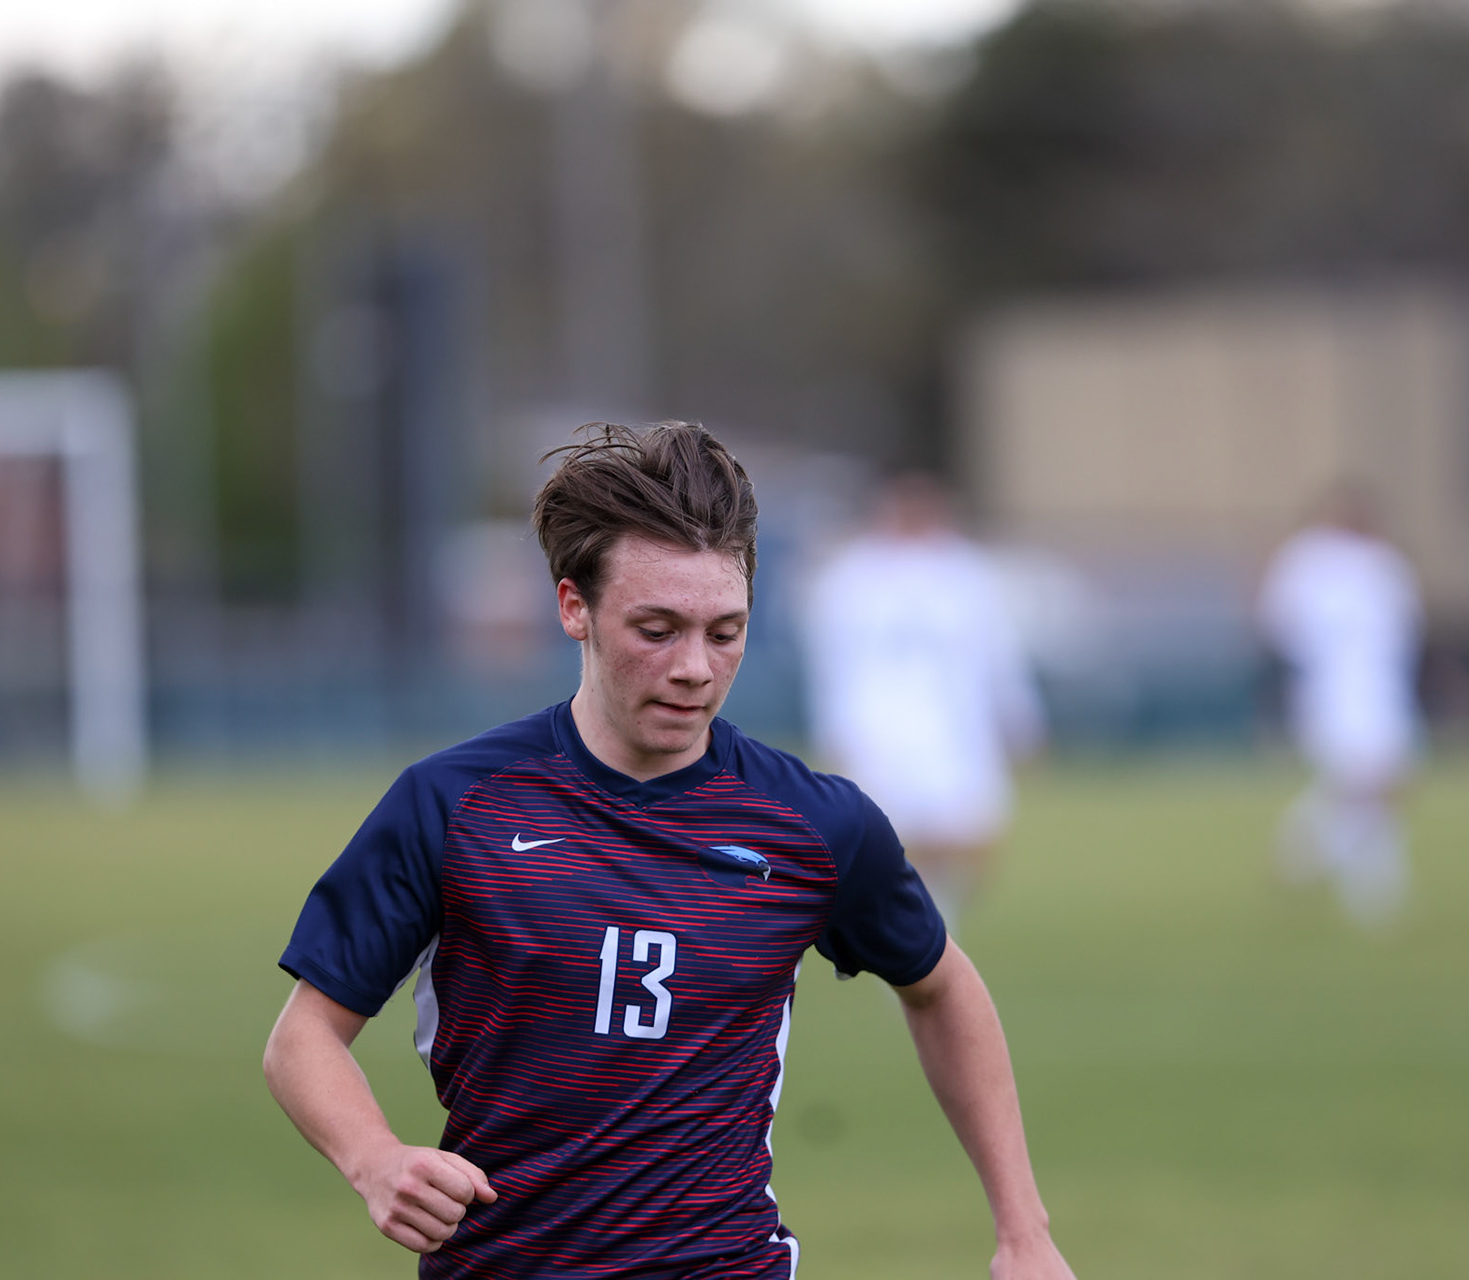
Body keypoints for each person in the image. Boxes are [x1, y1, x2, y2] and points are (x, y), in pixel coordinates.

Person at [264, 423, 1073, 1280]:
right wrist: (375, 1158)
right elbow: (305, 1036)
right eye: (657, 629)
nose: (695, 667)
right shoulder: (453, 806)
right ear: (574, 606)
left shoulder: (814, 825)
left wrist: (1023, 1230)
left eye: (725, 632)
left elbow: (943, 987)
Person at [801, 473, 1043, 934]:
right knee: (884, 836)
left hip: (955, 728)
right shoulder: (851, 577)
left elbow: (998, 655)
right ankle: (903, 934)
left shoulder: (966, 573)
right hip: (879, 729)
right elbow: (832, 665)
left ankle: (924, 925)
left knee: (966, 839)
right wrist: (834, 732)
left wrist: (1020, 721)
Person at [1258, 487, 1423, 929]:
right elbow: (1282, 626)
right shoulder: (1307, 561)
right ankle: (1307, 851)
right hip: (1334, 692)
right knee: (1364, 786)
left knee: (1383, 794)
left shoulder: (1382, 563)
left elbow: (1405, 628)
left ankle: (1363, 888)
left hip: (1382, 690)